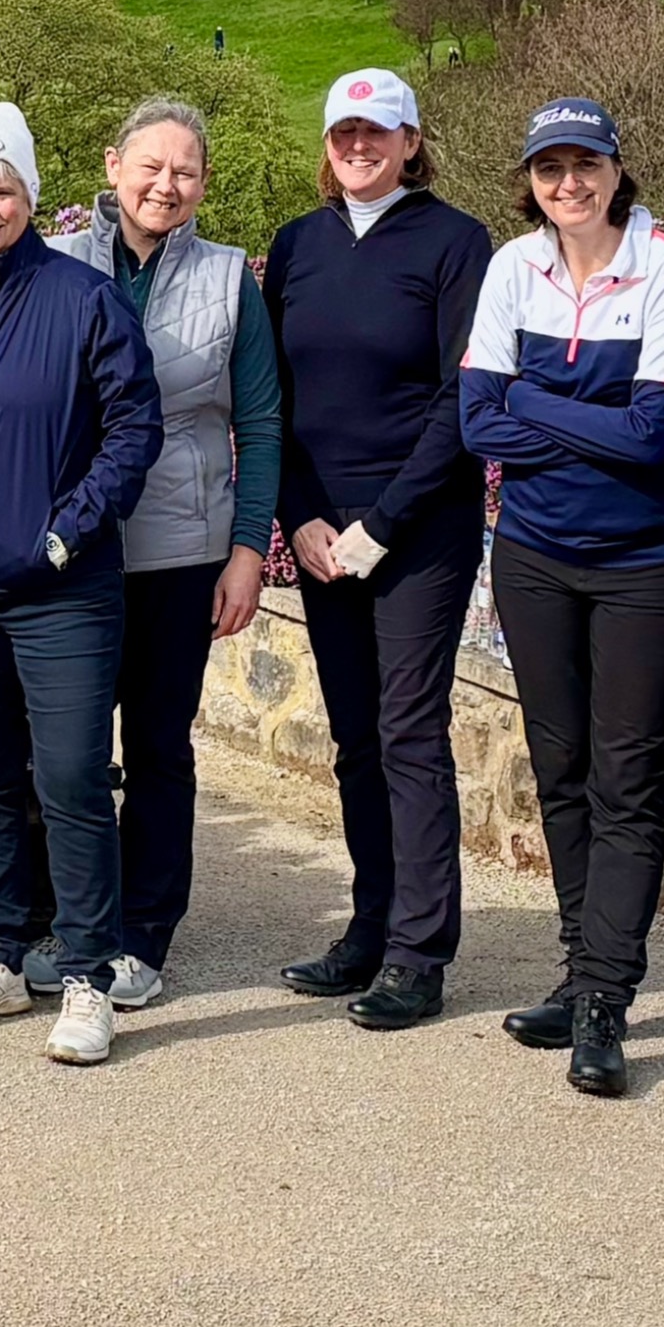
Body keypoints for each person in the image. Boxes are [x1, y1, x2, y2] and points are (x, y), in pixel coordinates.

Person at [457, 99, 664, 1099]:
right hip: (530, 555)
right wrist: (565, 416)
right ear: (527, 178)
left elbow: (652, 435)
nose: (568, 182)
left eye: (584, 163)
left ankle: (606, 998)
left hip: (640, 560)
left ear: (615, 169)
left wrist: (526, 396)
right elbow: (476, 421)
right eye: (548, 166)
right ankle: (576, 968)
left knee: (626, 777)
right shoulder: (509, 268)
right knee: (559, 769)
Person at [0, 105, 165, 1067]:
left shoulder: (83, 299)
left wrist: (66, 531)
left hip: (63, 588)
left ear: (29, 196)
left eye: (2, 188)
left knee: (66, 777)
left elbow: (130, 430)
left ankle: (90, 972)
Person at [260, 70, 492, 1031]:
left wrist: (381, 524)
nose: (359, 146)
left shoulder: (453, 240)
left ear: (409, 140)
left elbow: (462, 398)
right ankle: (368, 923)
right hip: (322, 532)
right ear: (327, 144)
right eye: (344, 132)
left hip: (416, 529)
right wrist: (303, 519)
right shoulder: (297, 243)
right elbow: (270, 397)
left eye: (377, 132)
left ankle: (417, 949)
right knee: (355, 734)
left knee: (407, 732)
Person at [59, 96, 279, 1009]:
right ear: (111, 165)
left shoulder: (230, 278)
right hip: (69, 548)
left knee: (156, 745)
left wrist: (246, 550)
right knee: (65, 751)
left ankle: (143, 934)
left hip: (180, 551)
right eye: (149, 165)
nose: (165, 184)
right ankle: (72, 922)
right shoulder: (57, 261)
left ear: (202, 183)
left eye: (184, 170)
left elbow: (260, 421)